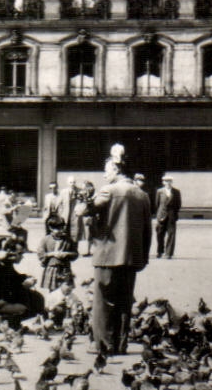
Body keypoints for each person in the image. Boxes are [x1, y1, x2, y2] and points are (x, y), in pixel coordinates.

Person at [86, 144, 152, 355]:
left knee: (103, 301)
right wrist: (142, 256)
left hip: (108, 255)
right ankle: (121, 345)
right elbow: (147, 230)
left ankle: (104, 346)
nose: (104, 175)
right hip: (132, 257)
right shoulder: (142, 194)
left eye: (106, 170)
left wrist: (84, 208)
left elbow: (89, 209)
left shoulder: (109, 190)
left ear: (116, 170)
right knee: (125, 301)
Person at [0, 249, 45, 330]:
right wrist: (25, 285)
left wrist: (26, 277)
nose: (22, 257)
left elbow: (14, 277)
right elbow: (8, 289)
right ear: (12, 255)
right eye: (20, 254)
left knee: (35, 298)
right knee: (25, 306)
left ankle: (6, 322)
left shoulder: (3, 264)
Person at [38, 215, 78, 290]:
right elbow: (40, 254)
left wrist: (67, 254)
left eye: (61, 228)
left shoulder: (68, 240)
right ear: (50, 228)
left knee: (65, 290)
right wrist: (51, 254)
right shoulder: (45, 240)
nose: (60, 231)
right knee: (53, 291)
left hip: (65, 269)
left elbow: (75, 254)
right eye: (57, 229)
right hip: (52, 269)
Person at [154, 175, 182, 259]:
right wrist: (159, 213)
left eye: (169, 181)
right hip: (161, 215)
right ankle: (160, 251)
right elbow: (157, 204)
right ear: (163, 182)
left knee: (171, 234)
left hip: (171, 215)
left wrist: (174, 213)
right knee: (160, 234)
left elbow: (178, 204)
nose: (168, 183)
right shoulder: (159, 191)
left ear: (171, 182)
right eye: (166, 181)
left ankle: (168, 253)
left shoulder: (176, 192)